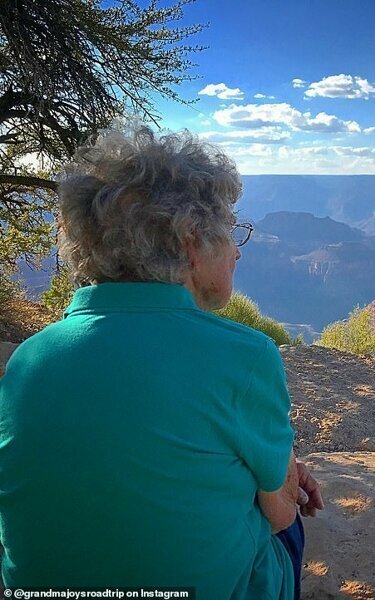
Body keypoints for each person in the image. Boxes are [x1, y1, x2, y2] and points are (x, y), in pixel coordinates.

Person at [0, 126, 322, 599]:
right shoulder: (245, 355)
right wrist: (282, 469)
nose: (236, 249)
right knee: (283, 527)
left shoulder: (29, 358)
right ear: (191, 240)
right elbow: (281, 513)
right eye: (229, 230)